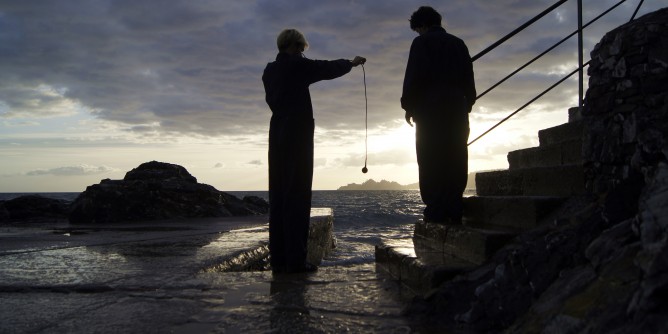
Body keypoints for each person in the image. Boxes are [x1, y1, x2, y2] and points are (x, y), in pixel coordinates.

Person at [262, 29, 366, 274]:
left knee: (278, 195)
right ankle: (296, 261)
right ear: (296, 46)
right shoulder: (297, 66)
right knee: (297, 195)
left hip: (276, 132)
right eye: (300, 48)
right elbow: (324, 68)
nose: (301, 52)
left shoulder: (269, 70)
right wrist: (350, 63)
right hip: (297, 133)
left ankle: (279, 259)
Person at [401, 6, 476, 224]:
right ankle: (454, 206)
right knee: (456, 154)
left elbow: (414, 76)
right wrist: (467, 103)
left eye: (417, 29)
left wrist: (408, 106)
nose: (418, 33)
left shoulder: (421, 43)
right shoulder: (458, 43)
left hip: (429, 109)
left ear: (422, 25)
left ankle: (435, 209)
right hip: (456, 106)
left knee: (429, 156)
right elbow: (468, 77)